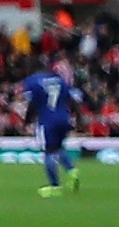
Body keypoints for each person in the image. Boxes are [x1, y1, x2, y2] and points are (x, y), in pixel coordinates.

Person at [22, 47, 84, 196]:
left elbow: (33, 103)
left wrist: (27, 120)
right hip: (64, 118)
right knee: (57, 147)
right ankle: (71, 170)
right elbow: (71, 100)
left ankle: (55, 186)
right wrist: (79, 117)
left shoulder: (31, 81)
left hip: (47, 120)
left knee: (48, 152)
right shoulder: (58, 79)